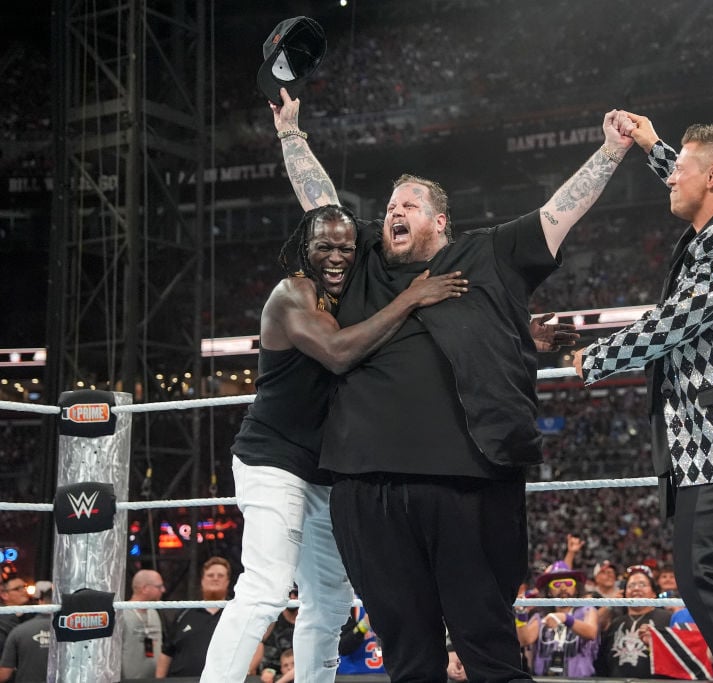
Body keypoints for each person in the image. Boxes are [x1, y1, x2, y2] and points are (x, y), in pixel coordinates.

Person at [274, 88, 629, 681]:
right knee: (407, 647)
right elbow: (319, 203)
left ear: (439, 220)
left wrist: (611, 150)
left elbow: (558, 213)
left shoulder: (485, 252)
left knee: (485, 640)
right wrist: (291, 133)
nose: (394, 211)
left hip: (467, 481)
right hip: (368, 485)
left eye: (409, 204)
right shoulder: (361, 258)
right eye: (390, 205)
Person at [200, 202, 472, 683]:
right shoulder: (293, 294)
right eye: (323, 246)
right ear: (304, 249)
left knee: (329, 603)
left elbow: (424, 341)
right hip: (273, 460)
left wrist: (523, 337)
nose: (335, 256)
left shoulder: (359, 301)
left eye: (345, 248)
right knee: (265, 587)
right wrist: (411, 297)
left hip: (326, 472)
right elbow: (338, 353)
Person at [574, 112, 713, 683]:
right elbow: (695, 186)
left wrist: (596, 358)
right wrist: (653, 145)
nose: (671, 179)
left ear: (712, 175)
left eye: (680, 170)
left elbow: (675, 322)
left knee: (703, 578)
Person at [520, 561, 599, 677]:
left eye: (568, 583)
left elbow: (591, 632)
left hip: (579, 681)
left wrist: (565, 618)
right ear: (549, 592)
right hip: (545, 680)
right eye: (556, 585)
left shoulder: (587, 610)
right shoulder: (541, 616)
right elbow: (524, 640)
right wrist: (520, 614)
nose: (563, 588)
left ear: (576, 589)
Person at [159, 556, 232, 678]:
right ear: (202, 580)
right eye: (210, 575)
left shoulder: (237, 614)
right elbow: (166, 652)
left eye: (220, 576)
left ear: (228, 581)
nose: (215, 579)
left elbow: (256, 645)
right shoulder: (184, 613)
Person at [596, 565, 672, 677]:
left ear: (653, 594)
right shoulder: (616, 623)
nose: (636, 588)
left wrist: (655, 643)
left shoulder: (668, 619)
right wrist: (610, 604)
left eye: (642, 584)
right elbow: (602, 661)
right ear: (625, 594)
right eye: (631, 585)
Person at [0, 581, 51, 683]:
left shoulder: (33, 616)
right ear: (4, 595)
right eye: (18, 588)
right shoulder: (3, 620)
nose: (24, 591)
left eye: (24, 587)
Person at [122, 569, 166, 680]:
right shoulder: (122, 613)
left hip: (154, 679)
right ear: (145, 588)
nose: (163, 590)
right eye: (159, 586)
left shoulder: (154, 613)